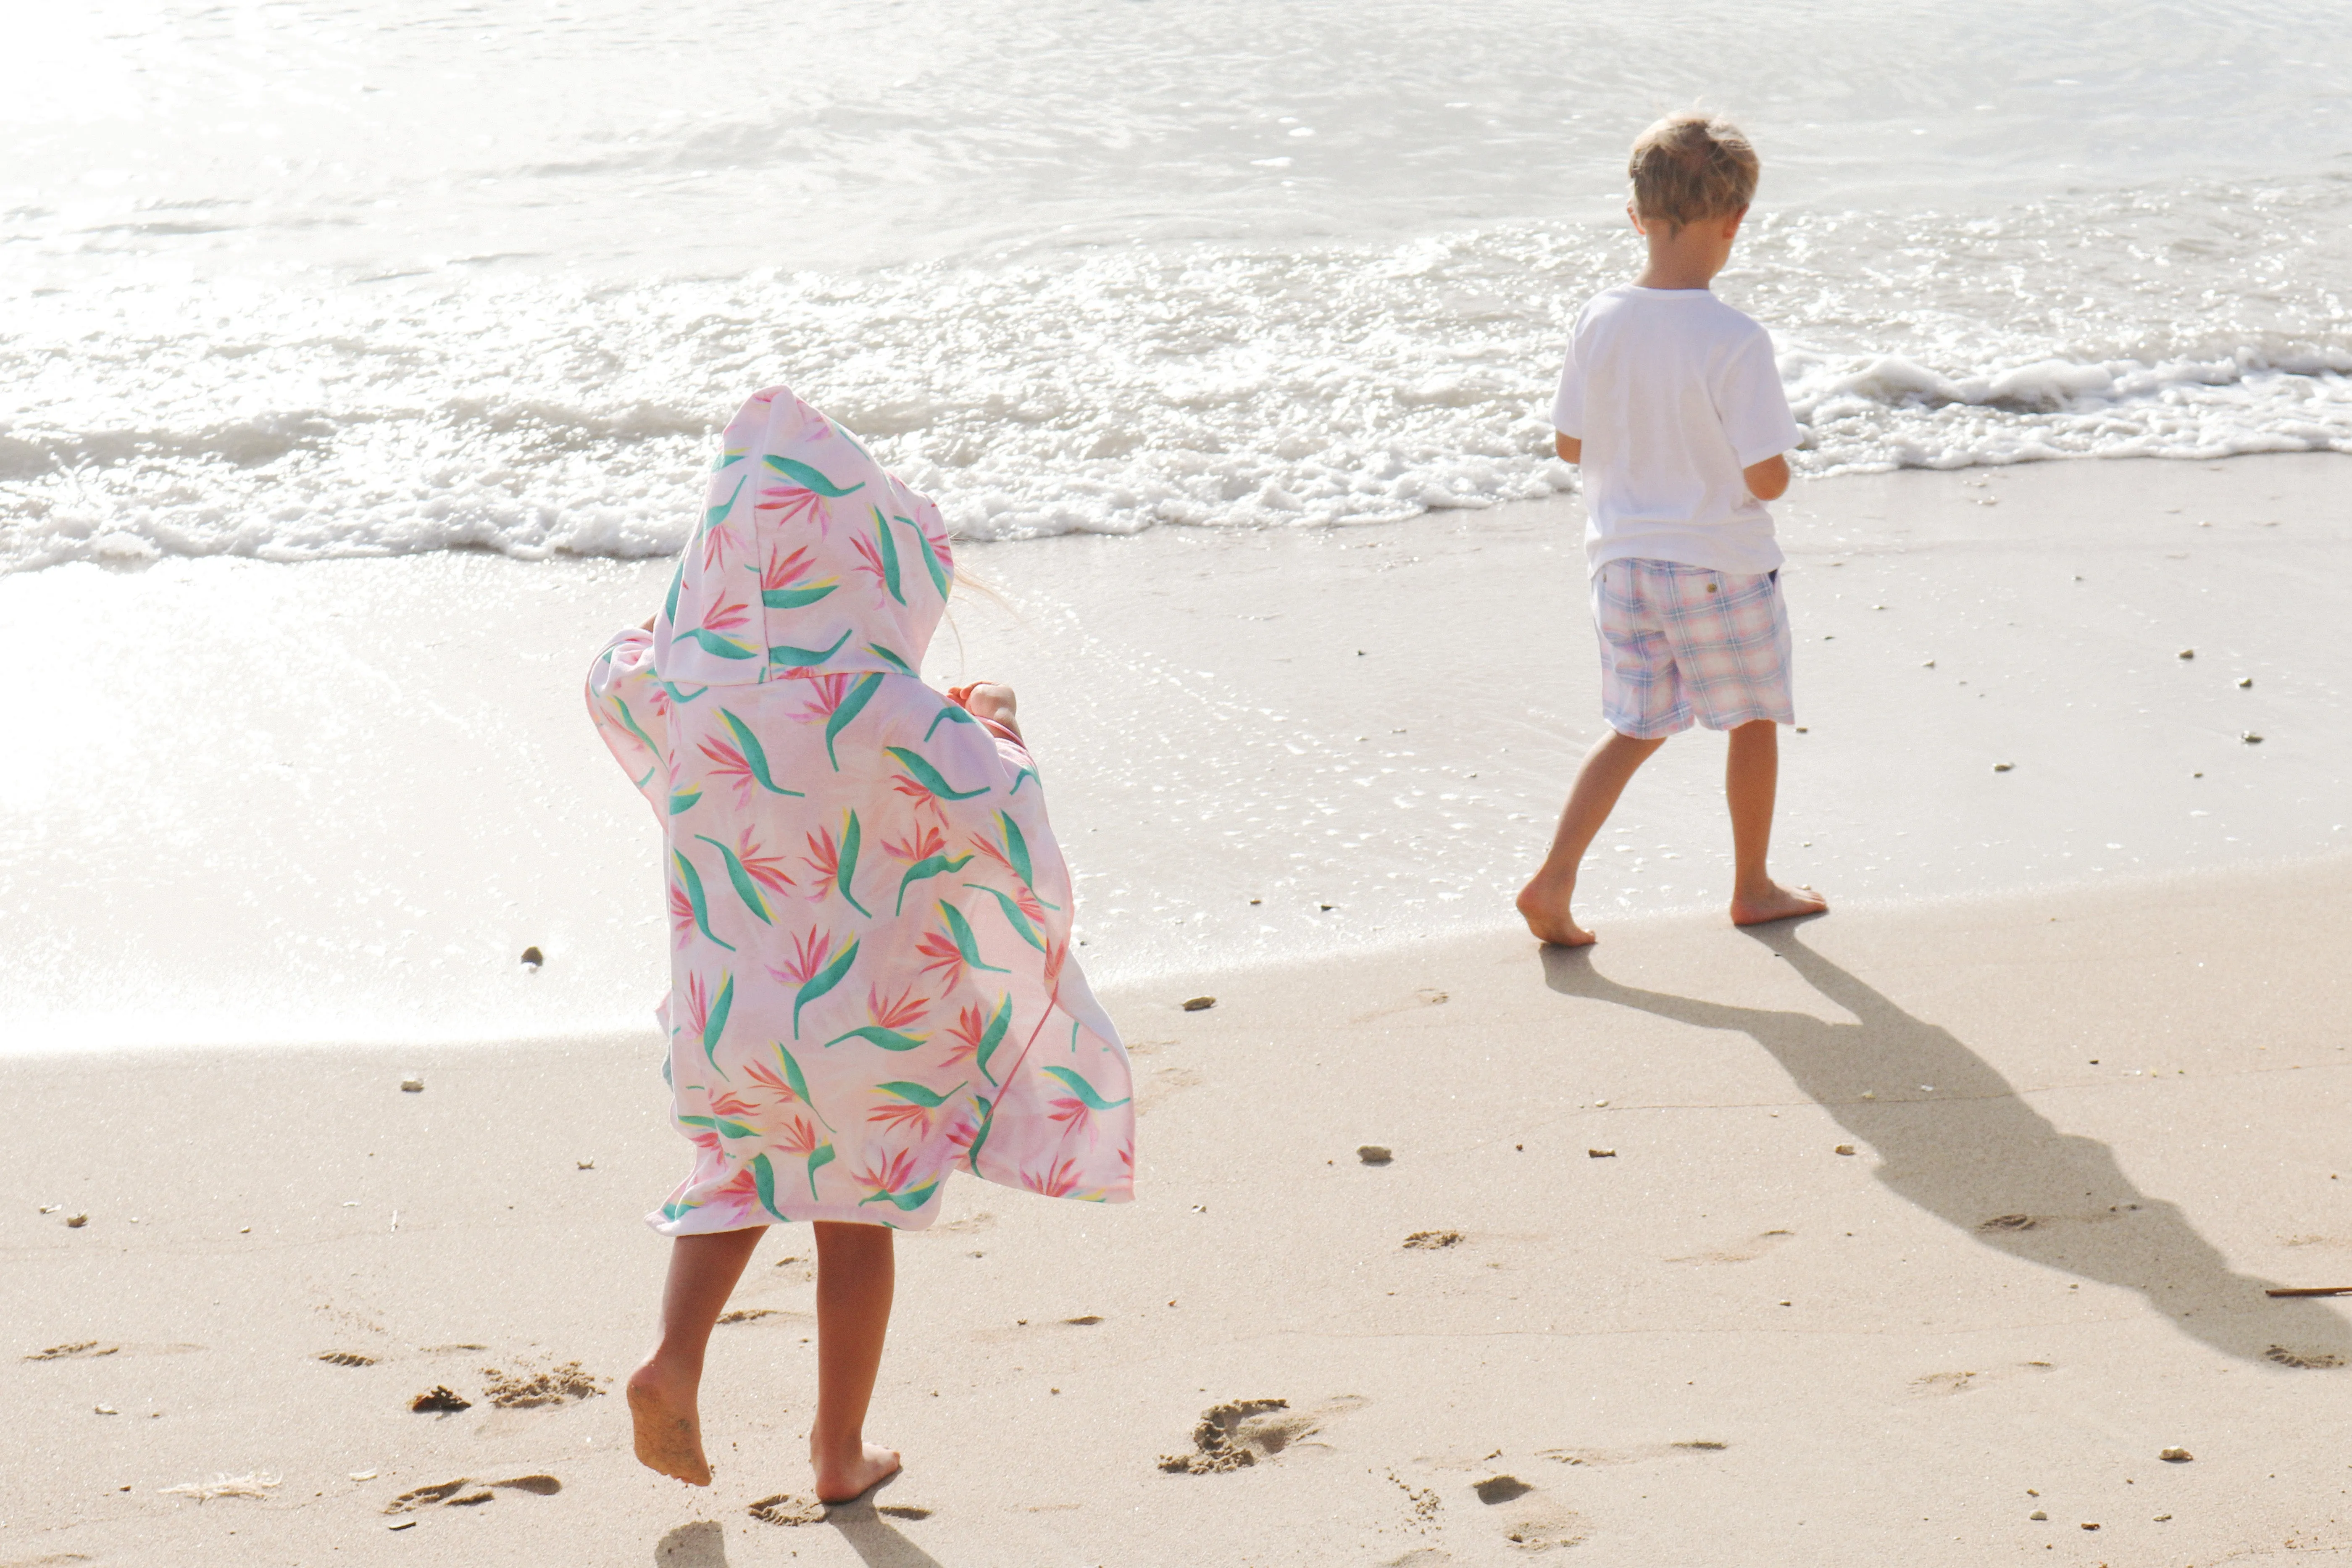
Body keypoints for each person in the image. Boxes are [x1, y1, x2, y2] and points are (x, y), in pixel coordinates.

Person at [586, 386, 1134, 1502]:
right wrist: (995, 715)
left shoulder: (684, 682)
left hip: (729, 1020)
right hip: (862, 1030)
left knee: (730, 1177)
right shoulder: (893, 708)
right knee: (855, 1223)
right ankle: (836, 1452)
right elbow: (998, 793)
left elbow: (614, 676)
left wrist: (690, 630)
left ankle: (673, 1357)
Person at [1517, 111, 1827, 947]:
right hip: (1717, 565)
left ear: (1636, 217)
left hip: (1620, 565)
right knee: (1752, 717)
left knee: (1634, 727)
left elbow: (1571, 443)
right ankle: (1753, 886)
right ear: (1736, 222)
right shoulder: (1734, 338)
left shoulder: (1599, 318)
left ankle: (1553, 879)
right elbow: (1767, 476)